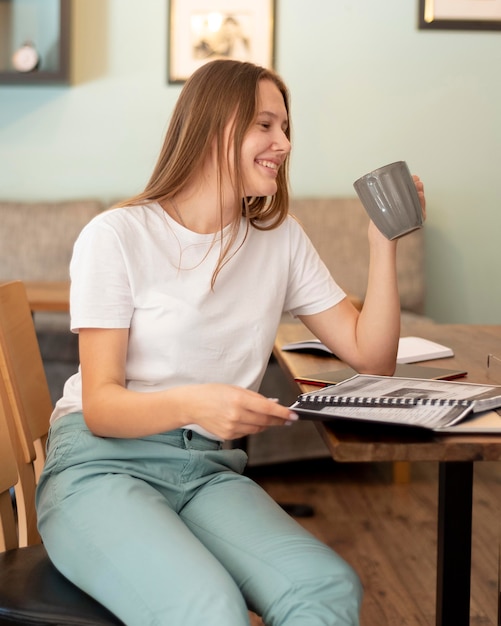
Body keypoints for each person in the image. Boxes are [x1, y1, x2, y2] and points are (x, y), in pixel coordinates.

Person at [35, 59, 425, 626]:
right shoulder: (116, 236)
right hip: (101, 468)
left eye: (286, 128)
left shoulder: (279, 240)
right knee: (210, 608)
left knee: (325, 585)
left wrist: (384, 242)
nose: (284, 143)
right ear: (216, 125)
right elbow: (101, 406)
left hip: (208, 471)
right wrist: (200, 403)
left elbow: (373, 356)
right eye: (266, 125)